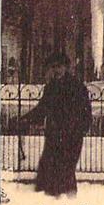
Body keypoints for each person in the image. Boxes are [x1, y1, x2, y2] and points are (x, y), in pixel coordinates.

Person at [19, 54, 92, 197]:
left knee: (66, 171)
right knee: (50, 172)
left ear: (66, 67)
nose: (56, 70)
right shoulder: (51, 87)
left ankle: (69, 203)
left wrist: (82, 128)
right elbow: (42, 109)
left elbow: (86, 110)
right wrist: (26, 119)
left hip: (72, 136)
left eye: (59, 66)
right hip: (54, 136)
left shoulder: (76, 86)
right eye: (53, 67)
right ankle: (55, 204)